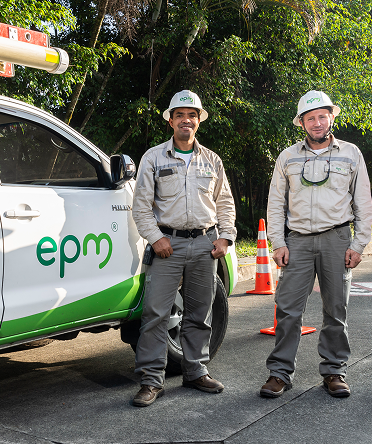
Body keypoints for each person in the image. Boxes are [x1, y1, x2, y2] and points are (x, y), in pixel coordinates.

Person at [261, 90, 372, 399]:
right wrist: (278, 242)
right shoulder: (288, 157)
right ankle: (279, 374)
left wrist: (359, 244)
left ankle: (335, 372)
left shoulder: (351, 153)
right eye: (311, 118)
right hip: (296, 241)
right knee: (287, 310)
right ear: (302, 123)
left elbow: (363, 201)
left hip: (337, 239)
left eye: (322, 116)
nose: (317, 122)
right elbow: (275, 204)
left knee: (336, 309)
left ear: (331, 117)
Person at [130, 90, 237, 407]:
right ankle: (151, 381)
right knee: (155, 315)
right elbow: (141, 207)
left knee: (200, 314)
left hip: (206, 245)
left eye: (192, 115)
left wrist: (225, 237)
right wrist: (155, 237)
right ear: (171, 121)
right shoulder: (154, 158)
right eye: (180, 115)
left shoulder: (212, 160)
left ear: (198, 121)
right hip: (168, 247)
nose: (186, 120)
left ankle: (195, 372)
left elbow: (225, 203)